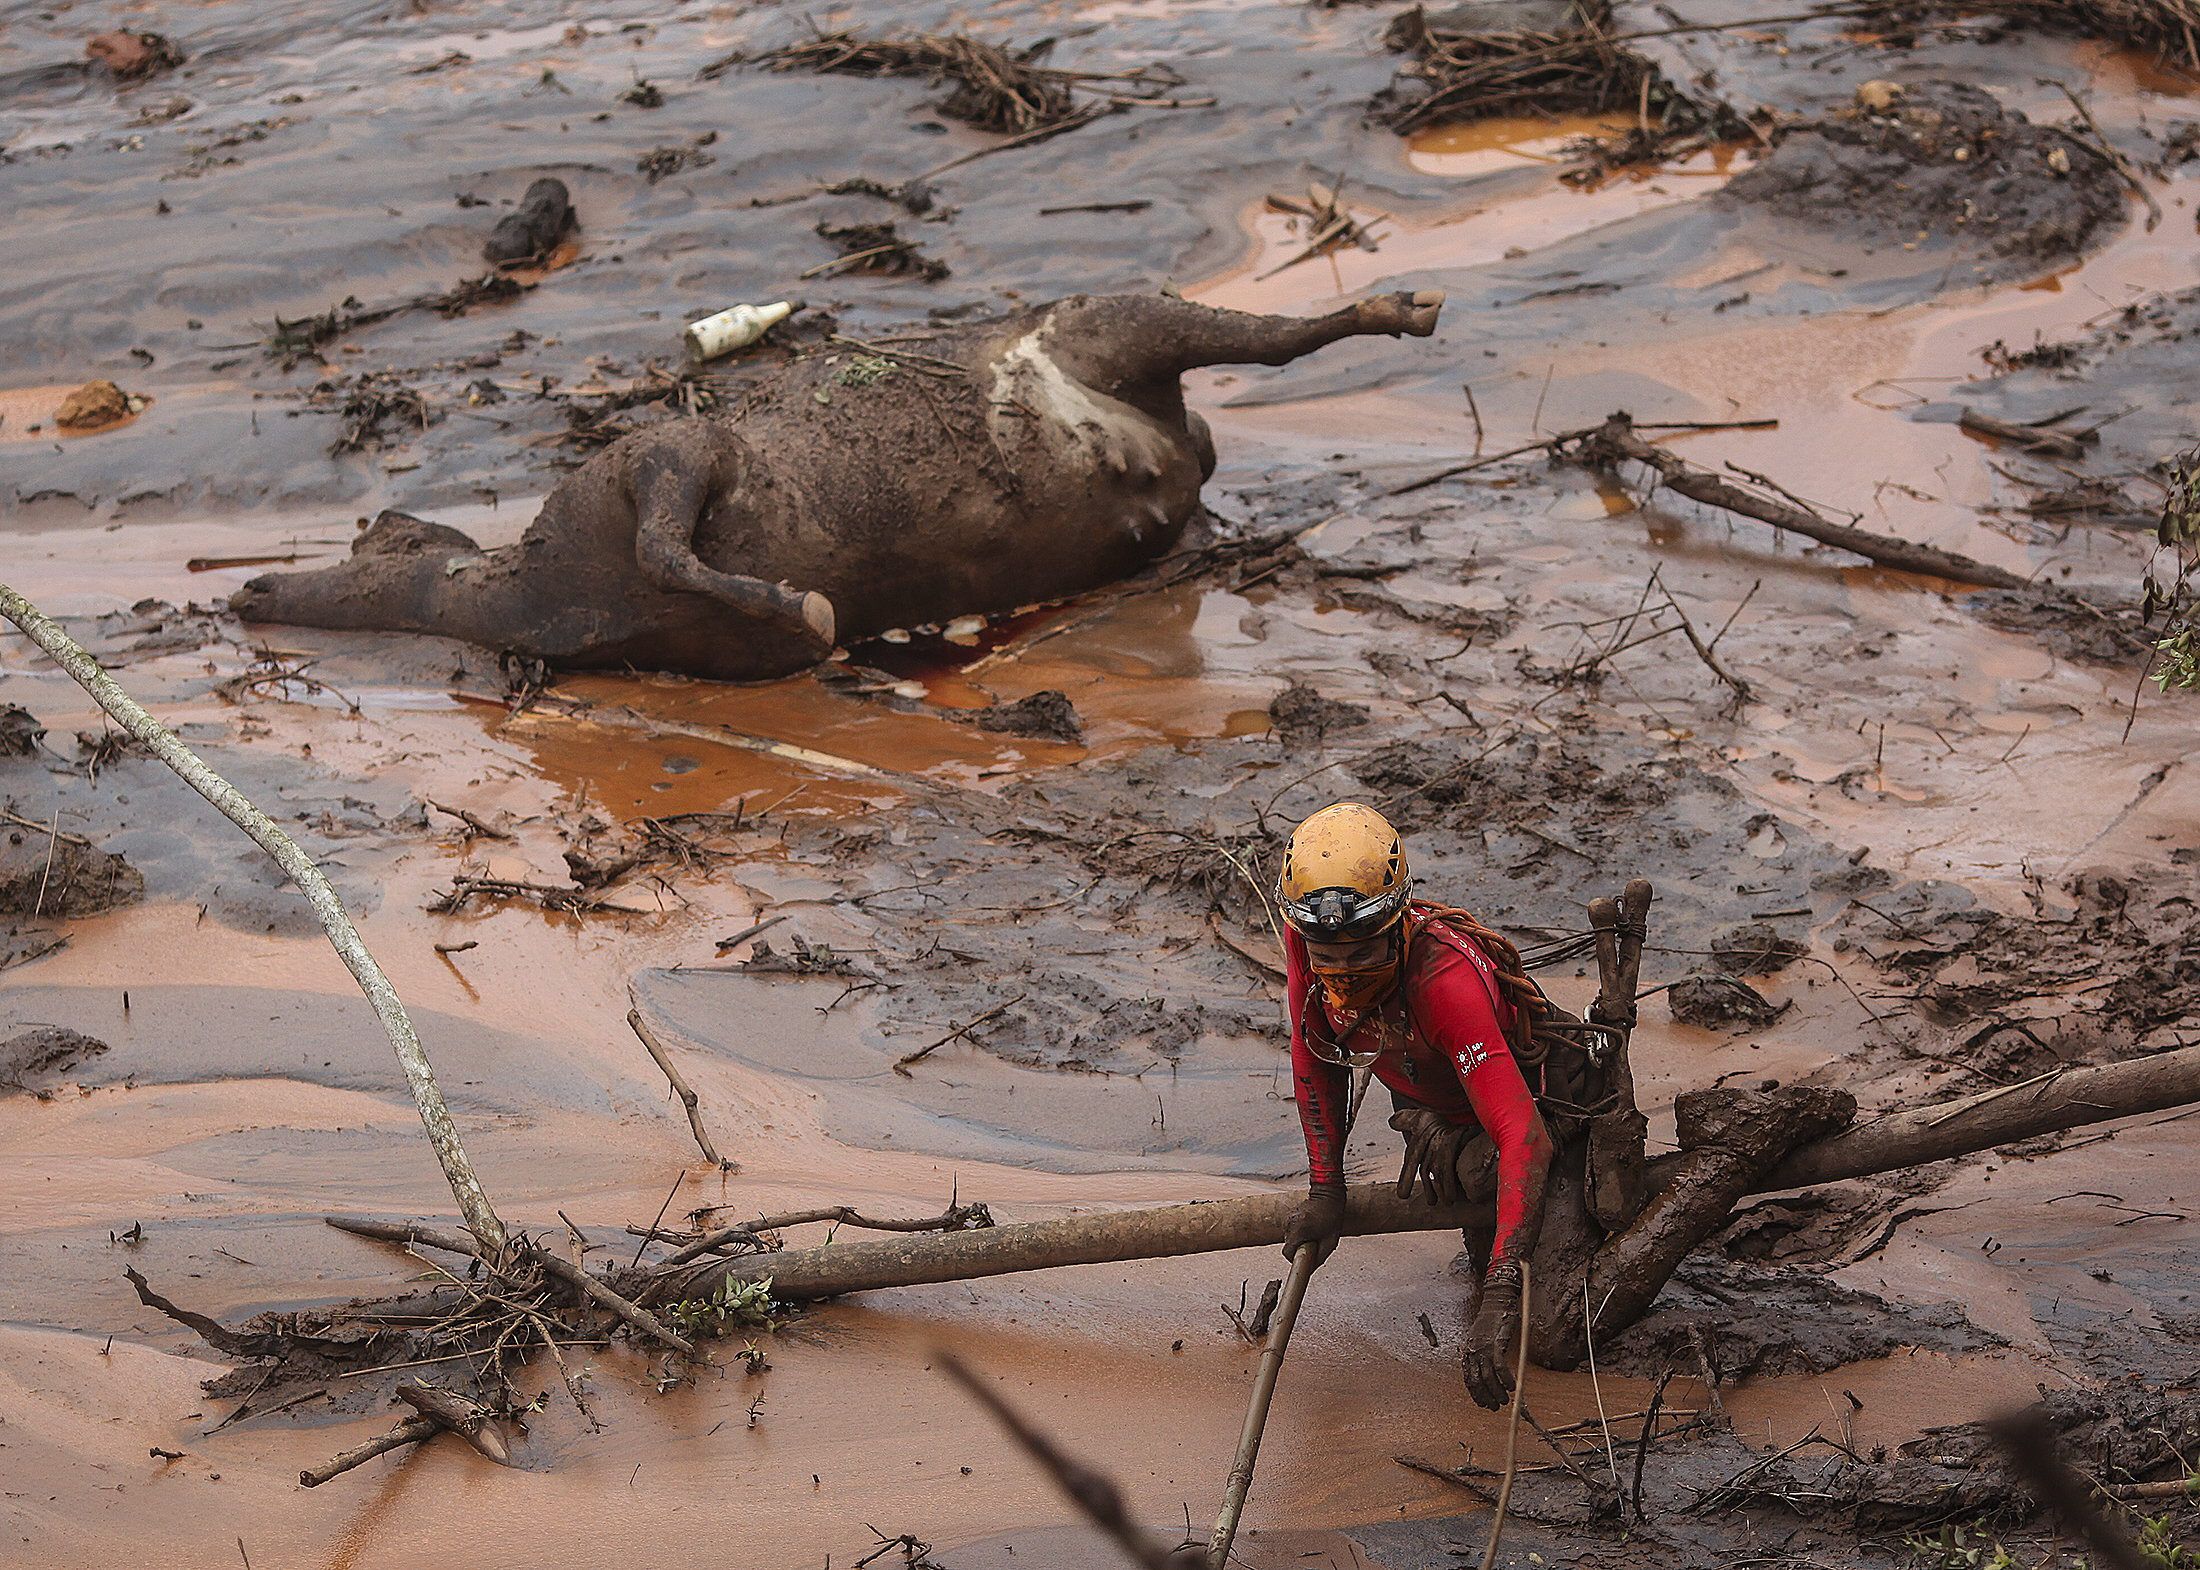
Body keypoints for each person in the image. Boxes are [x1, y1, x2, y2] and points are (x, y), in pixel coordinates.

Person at [1273, 801, 1555, 1410]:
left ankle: (1499, 1252)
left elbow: (1525, 1138)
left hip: (1522, 1109)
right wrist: (1327, 1192)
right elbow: (1312, 1054)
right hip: (1426, 1104)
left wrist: (1503, 1295)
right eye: (1330, 958)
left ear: (1397, 923)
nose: (1343, 973)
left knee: (1553, 1336)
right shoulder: (1306, 939)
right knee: (1477, 1254)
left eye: (1364, 953)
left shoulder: (1442, 981)